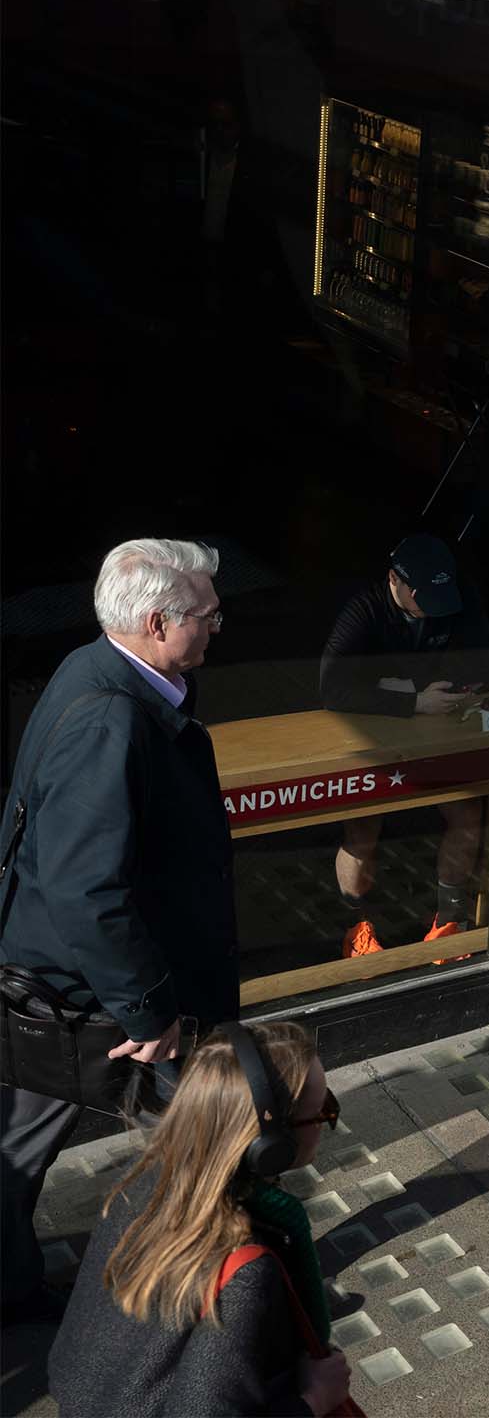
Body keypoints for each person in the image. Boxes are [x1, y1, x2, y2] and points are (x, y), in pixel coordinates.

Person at [0, 539, 239, 1327]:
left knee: (21, 1146)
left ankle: (12, 1284)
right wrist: (149, 1013)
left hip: (59, 980)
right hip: (101, 990)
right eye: (205, 613)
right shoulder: (110, 718)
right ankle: (216, 1288)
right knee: (211, 1129)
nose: (217, 625)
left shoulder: (99, 671)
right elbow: (87, 886)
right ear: (158, 620)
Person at [48, 1021, 353, 1416]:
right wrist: (313, 1399)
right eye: (322, 1111)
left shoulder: (140, 1185)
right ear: (270, 1146)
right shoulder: (242, 1273)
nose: (329, 1120)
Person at [319, 533, 489, 959]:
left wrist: (402, 687)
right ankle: (358, 925)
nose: (435, 608)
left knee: (468, 812)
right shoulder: (363, 609)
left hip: (438, 734)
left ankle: (449, 919)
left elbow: (488, 664)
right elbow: (332, 688)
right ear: (395, 581)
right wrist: (414, 700)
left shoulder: (457, 598)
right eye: (423, 597)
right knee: (362, 827)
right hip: (373, 738)